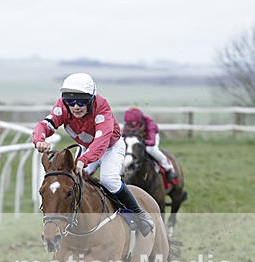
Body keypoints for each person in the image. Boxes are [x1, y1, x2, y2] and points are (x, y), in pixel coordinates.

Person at [32, 72, 154, 236]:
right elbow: (44, 125)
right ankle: (74, 222)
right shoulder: (62, 107)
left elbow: (101, 142)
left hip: (109, 147)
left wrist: (83, 160)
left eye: (81, 101)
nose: (75, 106)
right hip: (86, 148)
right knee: (72, 182)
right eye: (70, 101)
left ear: (91, 99)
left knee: (108, 179)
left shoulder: (102, 108)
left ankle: (139, 215)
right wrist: (39, 139)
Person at [122, 106, 178, 184]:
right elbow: (123, 137)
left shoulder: (150, 124)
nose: (131, 128)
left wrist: (140, 143)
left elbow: (152, 142)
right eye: (129, 125)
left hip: (149, 139)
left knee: (150, 149)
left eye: (134, 126)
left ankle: (168, 168)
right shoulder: (127, 125)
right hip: (137, 140)